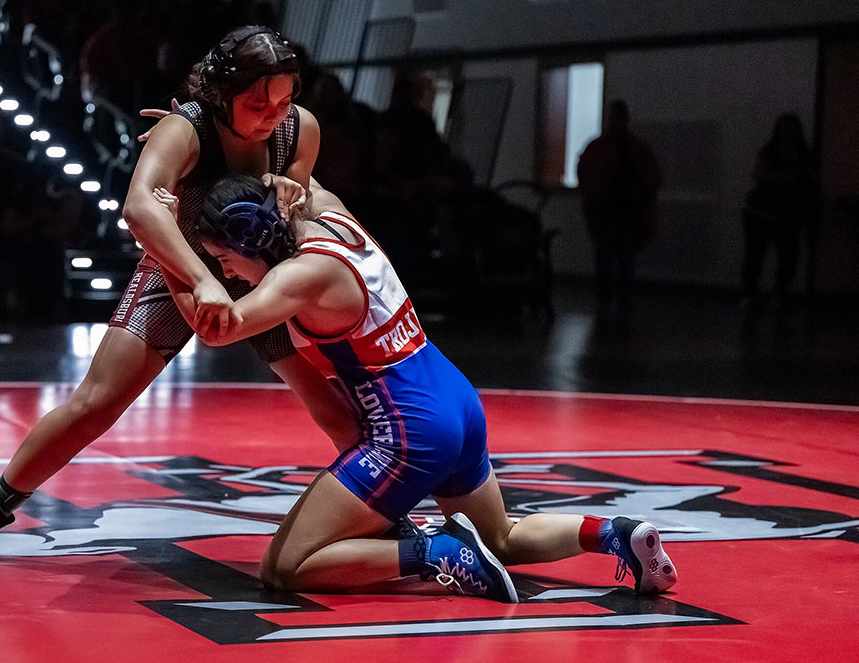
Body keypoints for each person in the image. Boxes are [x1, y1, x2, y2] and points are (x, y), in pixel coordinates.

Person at [0, 25, 357, 566]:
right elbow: (138, 210)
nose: (273, 112)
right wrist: (200, 279)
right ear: (222, 92)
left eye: (284, 99)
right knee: (96, 404)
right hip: (179, 267)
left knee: (331, 404)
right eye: (258, 101)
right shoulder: (186, 129)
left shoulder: (300, 129)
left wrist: (298, 196)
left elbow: (299, 206)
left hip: (256, 274)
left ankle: (397, 512)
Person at [154, 173, 678, 601]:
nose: (230, 276)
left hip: (408, 429)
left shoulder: (298, 278)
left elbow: (216, 326)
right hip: (452, 396)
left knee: (286, 567)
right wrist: (279, 178)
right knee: (500, 538)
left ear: (251, 236)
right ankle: (616, 534)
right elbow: (299, 169)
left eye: (225, 261)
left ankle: (439, 553)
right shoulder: (332, 215)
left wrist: (162, 247)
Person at [577, 100, 661, 326]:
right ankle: (615, 300)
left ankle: (611, 300)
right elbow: (652, 178)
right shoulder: (631, 148)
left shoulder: (600, 148)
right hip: (616, 210)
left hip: (619, 211)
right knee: (617, 258)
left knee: (616, 257)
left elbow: (585, 175)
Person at [741, 113, 820, 316]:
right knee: (756, 255)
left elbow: (809, 183)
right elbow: (757, 175)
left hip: (786, 215)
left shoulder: (804, 155)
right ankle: (750, 294)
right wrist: (787, 178)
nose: (787, 133)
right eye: (784, 128)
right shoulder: (769, 152)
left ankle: (778, 294)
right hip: (760, 212)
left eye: (790, 128)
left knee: (788, 256)